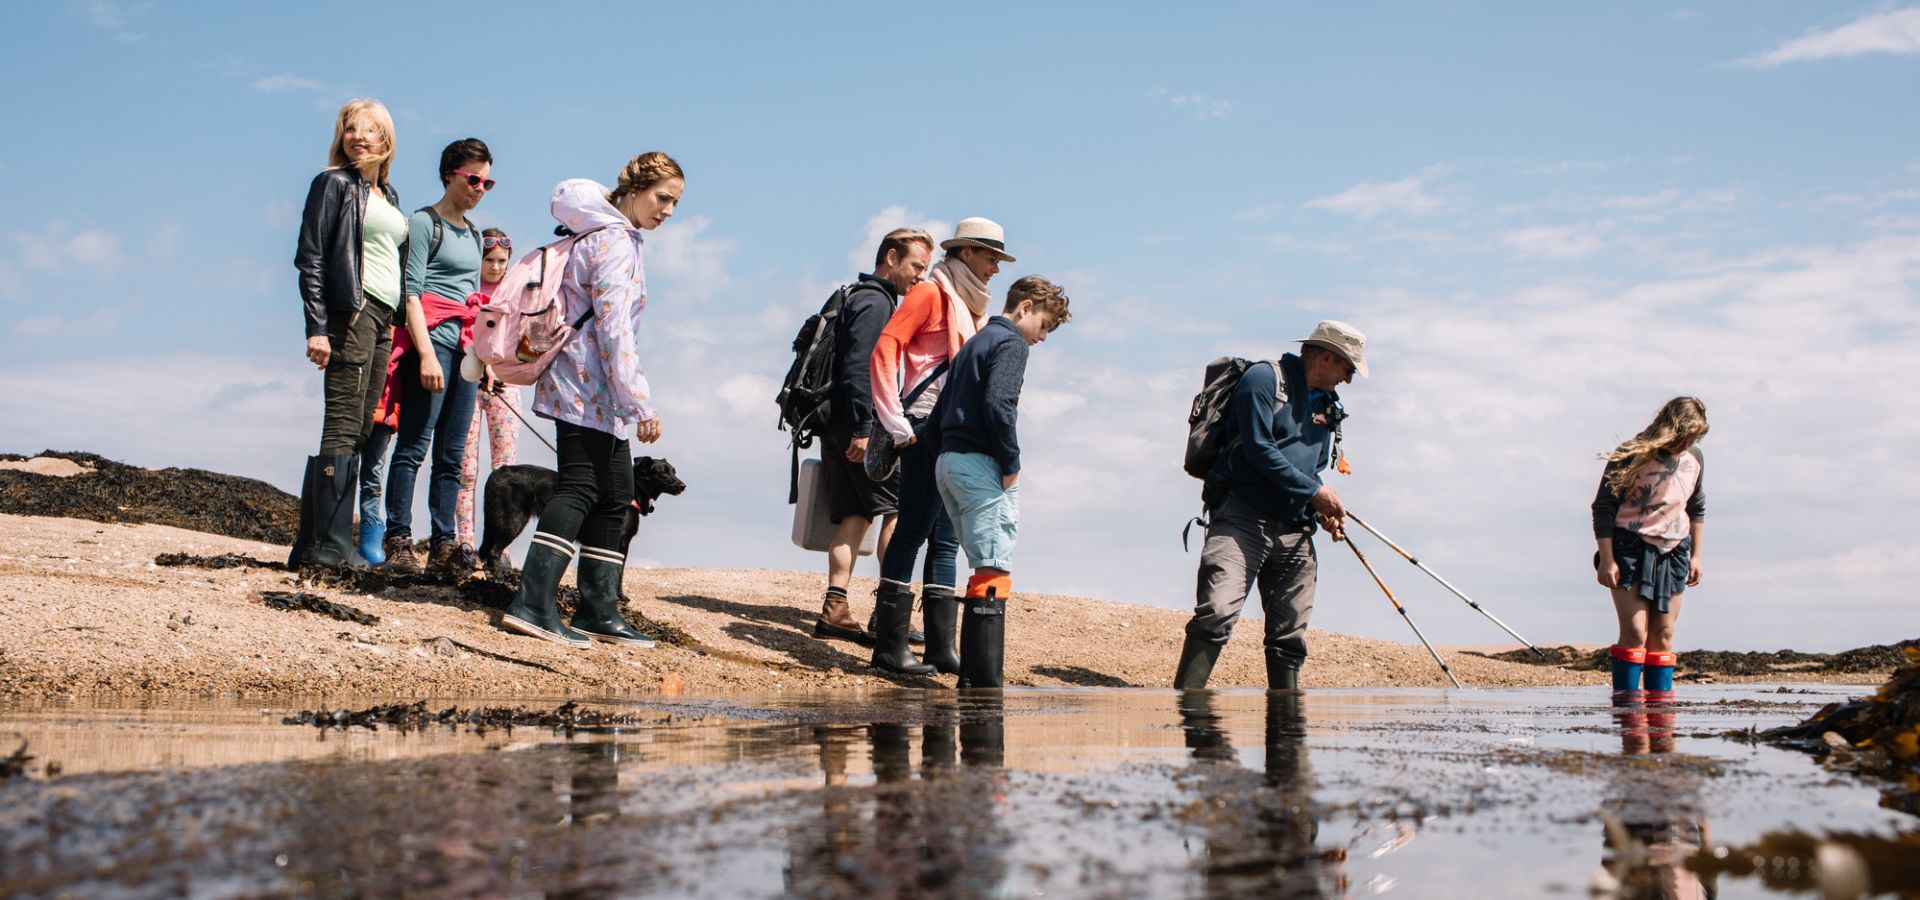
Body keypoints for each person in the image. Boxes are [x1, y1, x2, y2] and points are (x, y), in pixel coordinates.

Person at [500, 152, 682, 647]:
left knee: (617, 491)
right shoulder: (615, 241)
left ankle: (598, 609)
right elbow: (614, 328)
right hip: (586, 385)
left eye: (675, 203)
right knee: (581, 485)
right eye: (662, 198)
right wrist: (640, 401)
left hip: (593, 388)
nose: (668, 210)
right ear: (632, 190)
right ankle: (533, 603)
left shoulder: (604, 235)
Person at [1173, 321, 1368, 691]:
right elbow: (1259, 449)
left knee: (1290, 635)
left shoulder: (1329, 406)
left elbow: (1309, 471)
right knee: (1216, 613)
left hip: (1296, 529)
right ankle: (1187, 713)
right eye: (1348, 370)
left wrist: (1321, 510)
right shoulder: (1264, 380)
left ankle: (1287, 735)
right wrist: (1314, 493)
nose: (1348, 381)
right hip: (1241, 517)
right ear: (1327, 357)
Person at [868, 218, 1013, 676]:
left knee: (947, 539)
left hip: (951, 429)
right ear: (966, 252)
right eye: (990, 257)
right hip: (921, 423)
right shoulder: (931, 293)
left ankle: (940, 647)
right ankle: (889, 648)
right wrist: (895, 423)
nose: (995, 268)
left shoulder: (969, 304)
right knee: (912, 527)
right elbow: (886, 347)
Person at [931, 275, 1072, 688]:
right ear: (1025, 307)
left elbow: (941, 409)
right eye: (1044, 326)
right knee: (994, 564)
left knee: (979, 563)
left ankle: (974, 678)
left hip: (949, 462)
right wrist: (1011, 461)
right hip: (980, 464)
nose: (1042, 338)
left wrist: (945, 453)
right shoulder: (1009, 342)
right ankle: (982, 686)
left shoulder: (976, 340)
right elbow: (999, 403)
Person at [288, 99, 403, 569]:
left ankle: (318, 542)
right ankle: (330, 544)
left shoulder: (387, 196)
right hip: (350, 313)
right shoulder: (333, 183)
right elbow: (310, 256)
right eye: (350, 128)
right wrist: (317, 328)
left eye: (369, 129)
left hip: (383, 318)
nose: (359, 136)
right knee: (341, 418)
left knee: (360, 426)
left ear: (386, 139)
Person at [810, 228, 931, 652]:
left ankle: (836, 610)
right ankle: (887, 614)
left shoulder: (855, 295)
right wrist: (864, 428)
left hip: (834, 421)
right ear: (892, 257)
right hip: (860, 423)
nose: (919, 277)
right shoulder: (876, 302)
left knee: (855, 515)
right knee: (896, 508)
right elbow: (860, 367)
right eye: (916, 266)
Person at [381, 138, 493, 575]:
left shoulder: (476, 235)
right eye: (473, 179)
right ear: (450, 174)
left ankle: (444, 545)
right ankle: (400, 539)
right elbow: (411, 293)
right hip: (431, 343)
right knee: (413, 445)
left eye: (487, 181)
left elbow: (477, 304)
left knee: (452, 455)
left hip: (466, 351)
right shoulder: (425, 223)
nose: (480, 188)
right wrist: (426, 356)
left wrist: (481, 360)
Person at [1593, 397, 1707, 696]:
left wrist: (1696, 555)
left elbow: (1697, 508)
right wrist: (1607, 560)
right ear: (1672, 428)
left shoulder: (1695, 458)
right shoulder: (1631, 454)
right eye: (1686, 436)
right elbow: (1603, 507)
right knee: (1635, 634)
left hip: (1674, 552)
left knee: (1664, 636)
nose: (1689, 443)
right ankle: (1628, 714)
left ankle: (1659, 718)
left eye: (1695, 438)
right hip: (1629, 548)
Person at [452, 227, 523, 567]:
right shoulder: (467, 291)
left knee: (505, 470)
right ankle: (464, 542)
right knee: (466, 469)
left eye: (501, 261)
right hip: (470, 382)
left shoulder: (515, 296)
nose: (495, 267)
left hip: (505, 388)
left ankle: (498, 547)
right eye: (489, 260)